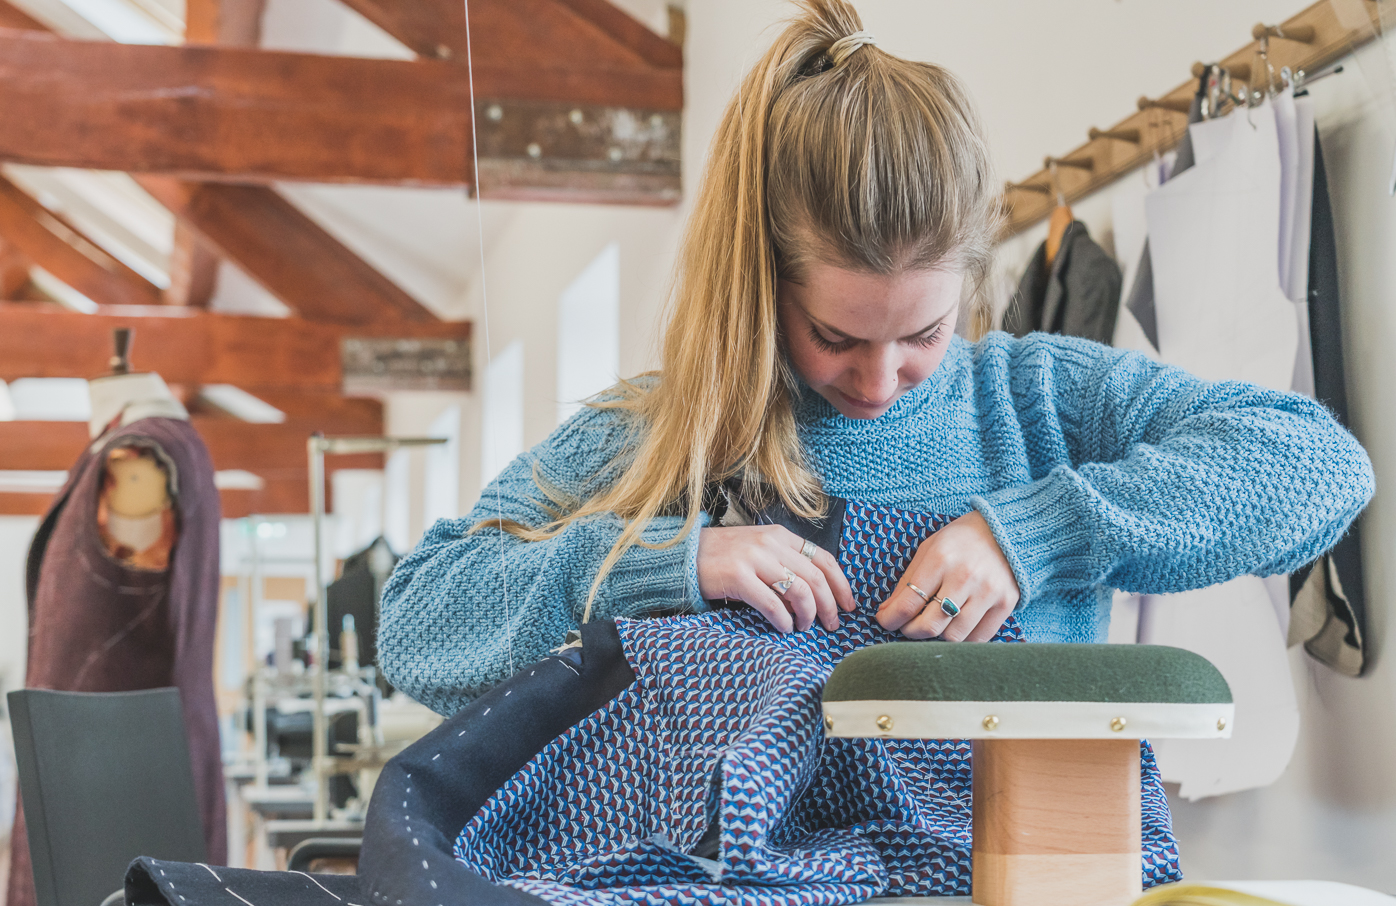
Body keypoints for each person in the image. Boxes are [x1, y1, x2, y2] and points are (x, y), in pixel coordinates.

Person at [379, 0, 1373, 719]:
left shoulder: (1036, 399)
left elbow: (1322, 467)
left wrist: (1034, 534)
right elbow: (416, 623)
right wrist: (668, 562)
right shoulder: (659, 433)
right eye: (837, 336)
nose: (879, 377)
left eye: (923, 336)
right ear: (766, 283)